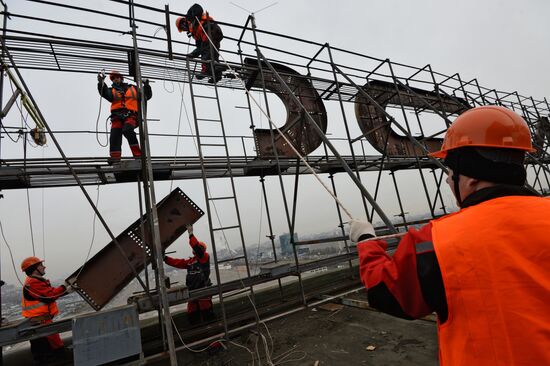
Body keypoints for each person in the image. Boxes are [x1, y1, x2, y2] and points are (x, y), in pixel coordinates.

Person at [349, 105, 550, 365]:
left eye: (449, 171)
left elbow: (386, 293)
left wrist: (366, 241)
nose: (446, 180)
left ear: (471, 178)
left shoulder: (436, 240)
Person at [21, 256, 72, 365]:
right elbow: (50, 295)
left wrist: (66, 290)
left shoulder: (36, 281)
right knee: (48, 355)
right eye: (41, 265)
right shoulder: (33, 282)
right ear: (35, 268)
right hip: (40, 324)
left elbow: (49, 294)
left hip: (41, 323)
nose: (44, 267)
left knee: (49, 353)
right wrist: (65, 286)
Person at [97, 70, 152, 163]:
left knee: (127, 130)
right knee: (115, 136)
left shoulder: (133, 88)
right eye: (113, 78)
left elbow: (147, 95)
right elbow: (105, 92)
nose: (115, 80)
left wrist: (146, 85)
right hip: (117, 117)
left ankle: (138, 156)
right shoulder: (112, 91)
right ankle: (115, 158)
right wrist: (101, 82)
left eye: (117, 77)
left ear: (121, 78)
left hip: (131, 116)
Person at [164, 224, 214, 324]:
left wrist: (191, 234)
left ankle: (211, 332)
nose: (195, 249)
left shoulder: (204, 258)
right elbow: (178, 262)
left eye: (198, 248)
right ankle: (197, 333)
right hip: (192, 292)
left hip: (202, 291)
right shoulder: (190, 261)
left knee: (207, 314)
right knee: (192, 316)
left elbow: (196, 247)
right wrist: (165, 258)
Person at [175, 3, 224, 83]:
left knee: (206, 50)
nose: (184, 29)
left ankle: (205, 70)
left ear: (183, 22)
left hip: (210, 28)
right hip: (214, 34)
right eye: (182, 29)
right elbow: (200, 48)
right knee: (213, 53)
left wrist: (191, 13)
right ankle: (217, 74)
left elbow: (197, 6)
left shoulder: (191, 18)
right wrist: (193, 54)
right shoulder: (194, 32)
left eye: (182, 27)